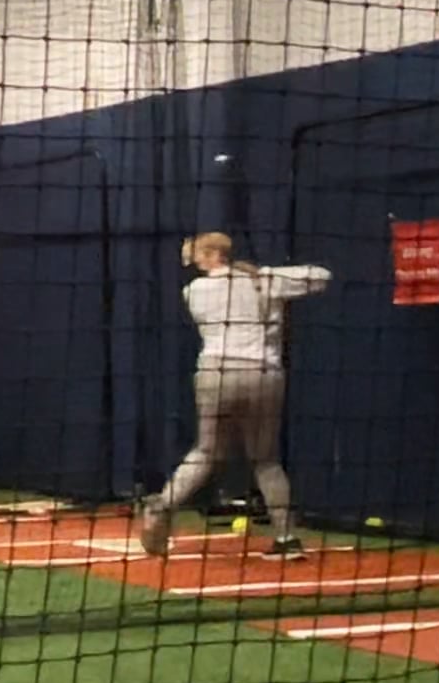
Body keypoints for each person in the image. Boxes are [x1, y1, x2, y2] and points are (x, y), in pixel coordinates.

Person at [139, 232, 332, 560]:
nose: (196, 263)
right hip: (262, 373)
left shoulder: (194, 291)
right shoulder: (263, 281)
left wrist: (251, 274)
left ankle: (161, 506)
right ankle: (286, 538)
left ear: (214, 255)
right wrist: (261, 273)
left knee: (207, 451)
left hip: (216, 373)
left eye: (200, 256)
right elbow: (320, 276)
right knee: (265, 459)